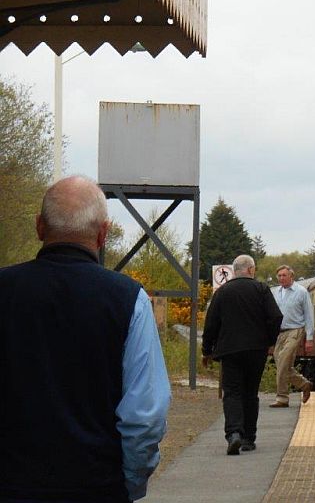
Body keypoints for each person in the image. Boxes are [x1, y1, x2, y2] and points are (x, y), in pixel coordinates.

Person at [0, 175, 170, 502]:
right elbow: (145, 417)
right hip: (95, 486)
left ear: (39, 227)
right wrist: (129, 484)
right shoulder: (128, 300)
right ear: (103, 234)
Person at [202, 255, 283, 454]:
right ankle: (248, 438)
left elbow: (211, 323)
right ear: (251, 270)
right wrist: (270, 341)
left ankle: (234, 434)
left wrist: (207, 351)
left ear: (235, 270)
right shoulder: (262, 289)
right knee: (250, 393)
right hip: (256, 350)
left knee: (232, 392)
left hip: (229, 351)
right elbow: (275, 317)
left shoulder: (222, 292)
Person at [270, 265, 314, 408]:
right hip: (280, 333)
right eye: (279, 276)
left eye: (284, 275)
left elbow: (309, 315)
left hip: (295, 330)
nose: (281, 278)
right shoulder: (275, 292)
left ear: (291, 277)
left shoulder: (301, 292)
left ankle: (282, 397)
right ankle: (304, 384)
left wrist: (309, 338)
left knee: (283, 361)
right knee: (281, 364)